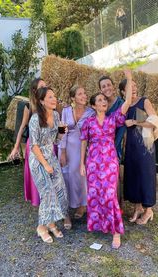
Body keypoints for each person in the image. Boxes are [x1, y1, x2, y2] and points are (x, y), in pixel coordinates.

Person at [80, 69, 132, 249]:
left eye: (104, 100)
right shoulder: (88, 123)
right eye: (100, 100)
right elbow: (84, 143)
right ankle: (102, 224)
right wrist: (81, 164)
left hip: (110, 160)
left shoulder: (113, 119)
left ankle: (116, 231)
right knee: (95, 193)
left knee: (110, 195)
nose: (103, 102)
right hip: (93, 162)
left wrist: (129, 78)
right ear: (93, 106)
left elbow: (128, 102)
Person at [29, 86, 69, 243]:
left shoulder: (57, 115)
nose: (54, 99)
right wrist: (45, 165)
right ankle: (41, 227)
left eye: (54, 96)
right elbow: (34, 145)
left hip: (51, 156)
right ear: (41, 101)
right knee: (47, 193)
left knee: (59, 190)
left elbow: (56, 141)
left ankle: (51, 223)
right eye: (50, 97)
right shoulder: (35, 119)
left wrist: (61, 133)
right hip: (38, 160)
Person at [119, 78, 158, 225]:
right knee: (133, 175)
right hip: (131, 146)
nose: (134, 88)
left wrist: (135, 122)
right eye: (130, 87)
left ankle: (149, 210)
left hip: (145, 146)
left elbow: (154, 121)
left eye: (135, 85)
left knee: (145, 175)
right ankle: (138, 208)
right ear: (124, 92)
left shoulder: (144, 101)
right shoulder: (123, 106)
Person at [59, 85, 94, 224]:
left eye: (85, 93)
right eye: (80, 94)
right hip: (68, 148)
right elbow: (62, 131)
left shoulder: (91, 112)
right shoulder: (66, 111)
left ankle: (82, 205)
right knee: (67, 176)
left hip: (83, 149)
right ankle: (68, 207)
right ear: (73, 98)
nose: (84, 96)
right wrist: (62, 152)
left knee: (82, 177)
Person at [9, 78, 46, 207]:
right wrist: (16, 147)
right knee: (36, 175)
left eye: (46, 86)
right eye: (42, 86)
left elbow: (60, 124)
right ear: (35, 91)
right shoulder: (29, 107)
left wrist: (63, 135)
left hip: (49, 146)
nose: (45, 88)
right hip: (34, 146)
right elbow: (22, 128)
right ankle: (39, 202)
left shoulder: (52, 103)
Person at [98, 75, 126, 162]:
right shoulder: (99, 104)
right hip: (99, 148)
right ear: (100, 90)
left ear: (113, 86)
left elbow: (121, 130)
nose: (107, 88)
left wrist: (111, 148)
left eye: (109, 85)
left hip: (113, 148)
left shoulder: (121, 104)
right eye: (103, 86)